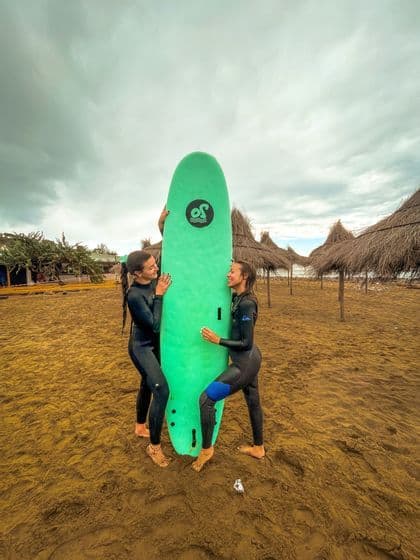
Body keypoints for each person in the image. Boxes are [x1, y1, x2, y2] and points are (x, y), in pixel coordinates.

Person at [192, 261, 265, 472]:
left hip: (245, 362)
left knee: (206, 400)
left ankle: (206, 449)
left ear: (244, 277)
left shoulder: (247, 303)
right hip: (250, 359)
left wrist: (218, 340)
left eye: (232, 272)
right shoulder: (236, 298)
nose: (228, 274)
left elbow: (246, 342)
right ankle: (258, 448)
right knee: (253, 402)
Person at [121, 250, 172, 467]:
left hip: (154, 345)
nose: (156, 269)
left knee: (147, 384)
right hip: (141, 347)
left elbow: (171, 242)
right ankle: (154, 446)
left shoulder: (152, 281)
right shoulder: (134, 295)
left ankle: (140, 426)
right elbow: (154, 324)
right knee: (161, 389)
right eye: (151, 268)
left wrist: (161, 224)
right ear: (136, 273)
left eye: (155, 265)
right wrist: (159, 294)